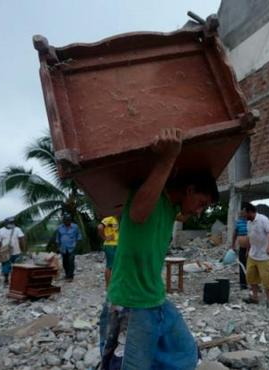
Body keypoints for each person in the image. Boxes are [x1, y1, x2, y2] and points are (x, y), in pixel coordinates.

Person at [99, 128, 219, 370]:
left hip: (155, 299)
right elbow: (137, 213)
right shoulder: (149, 198)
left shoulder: (170, 208)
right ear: (190, 190)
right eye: (201, 203)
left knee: (186, 354)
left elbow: (181, 208)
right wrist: (168, 157)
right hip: (132, 303)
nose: (199, 211)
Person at [241, 202, 269, 308]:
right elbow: (249, 237)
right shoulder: (249, 223)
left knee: (268, 279)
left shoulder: (263, 219)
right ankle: (255, 298)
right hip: (253, 255)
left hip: (265, 256)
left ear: (250, 212)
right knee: (251, 278)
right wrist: (248, 250)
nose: (243, 216)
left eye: (244, 214)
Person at [0, 217, 26, 286]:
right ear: (6, 223)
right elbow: (22, 240)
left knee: (10, 266)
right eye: (10, 223)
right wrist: (23, 250)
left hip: (9, 252)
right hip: (11, 252)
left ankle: (7, 280)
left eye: (12, 223)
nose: (11, 224)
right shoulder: (16, 230)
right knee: (11, 266)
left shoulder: (2, 231)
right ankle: (8, 279)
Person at [56, 213, 82, 282]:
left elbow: (79, 236)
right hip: (63, 248)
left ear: (70, 220)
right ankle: (67, 274)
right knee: (65, 262)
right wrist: (58, 247)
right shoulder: (59, 227)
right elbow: (58, 238)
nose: (67, 221)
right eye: (66, 220)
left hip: (72, 247)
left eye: (69, 220)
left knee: (71, 261)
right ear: (63, 220)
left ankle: (70, 276)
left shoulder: (75, 227)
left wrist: (76, 245)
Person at [98, 216, 119, 287]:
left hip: (117, 245)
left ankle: (115, 283)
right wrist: (104, 237)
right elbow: (100, 227)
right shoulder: (109, 218)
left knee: (117, 265)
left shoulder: (118, 219)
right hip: (110, 245)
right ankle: (108, 286)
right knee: (110, 266)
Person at [231, 209, 250, 290]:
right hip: (242, 248)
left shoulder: (251, 222)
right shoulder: (239, 222)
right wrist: (233, 245)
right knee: (242, 266)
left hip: (252, 249)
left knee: (253, 266)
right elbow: (235, 234)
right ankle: (243, 284)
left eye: (244, 211)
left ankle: (255, 284)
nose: (242, 213)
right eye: (242, 212)